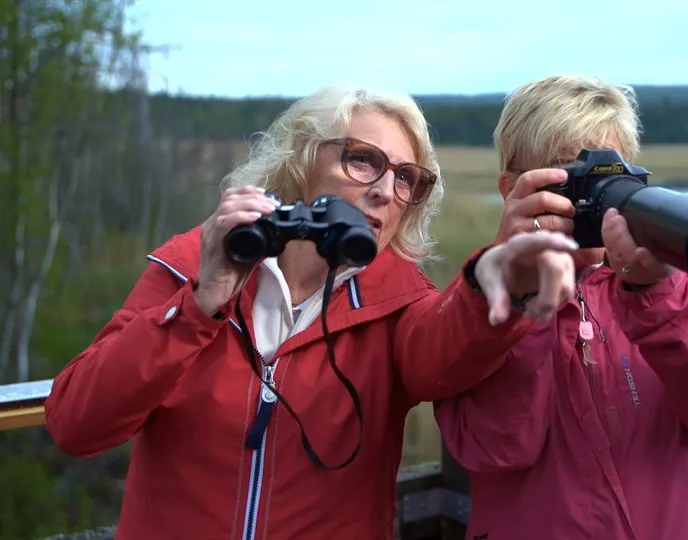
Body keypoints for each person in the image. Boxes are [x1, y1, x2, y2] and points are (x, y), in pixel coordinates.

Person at [44, 85, 581, 540]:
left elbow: (444, 347)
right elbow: (77, 424)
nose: (384, 192)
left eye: (406, 178)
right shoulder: (189, 268)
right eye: (363, 159)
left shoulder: (397, 303)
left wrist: (496, 279)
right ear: (301, 162)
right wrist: (200, 304)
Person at [433, 74, 688, 539]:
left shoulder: (682, 281)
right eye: (570, 175)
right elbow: (494, 446)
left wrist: (659, 292)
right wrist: (526, 294)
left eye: (610, 177)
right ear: (511, 188)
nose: (593, 197)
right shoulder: (484, 298)